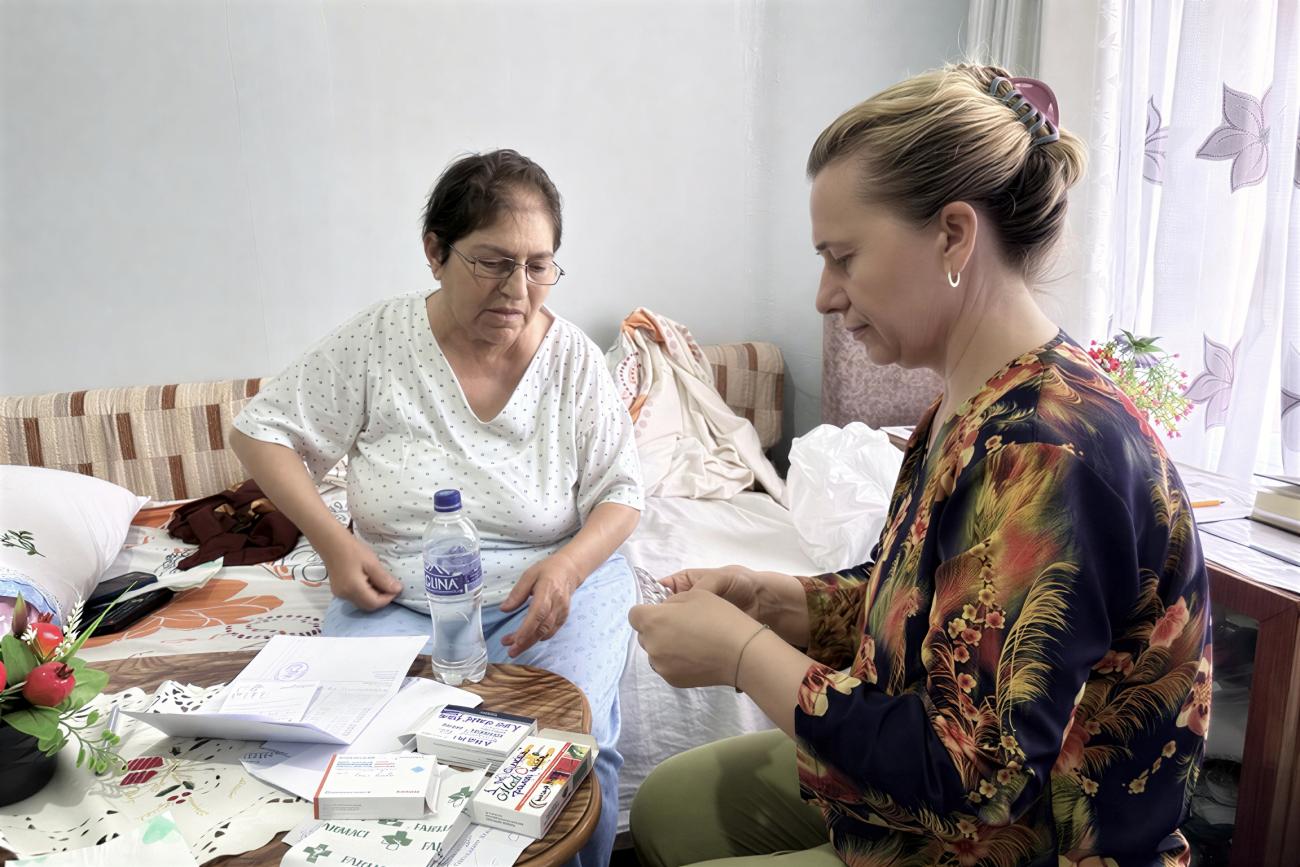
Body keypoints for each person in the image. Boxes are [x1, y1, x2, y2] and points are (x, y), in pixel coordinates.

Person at [629, 64, 1210, 867]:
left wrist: (743, 655)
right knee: (667, 802)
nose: (825, 295)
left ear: (953, 236)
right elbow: (934, 604)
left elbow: (976, 780)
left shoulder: (1044, 450)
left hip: (1021, 841)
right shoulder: (965, 404)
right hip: (934, 802)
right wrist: (780, 602)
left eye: (843, 256)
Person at [231, 149, 642, 867]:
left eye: (539, 265)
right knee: (356, 750)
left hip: (545, 587)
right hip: (397, 591)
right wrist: (332, 542)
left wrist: (569, 569)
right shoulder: (380, 341)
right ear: (435, 252)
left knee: (570, 753)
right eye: (492, 262)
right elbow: (260, 429)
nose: (519, 290)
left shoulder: (573, 358)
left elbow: (622, 491)